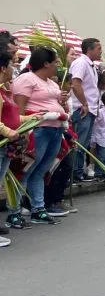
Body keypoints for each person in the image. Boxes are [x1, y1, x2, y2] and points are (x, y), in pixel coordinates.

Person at [9, 46, 69, 226]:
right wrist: (24, 131)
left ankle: (38, 209)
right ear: (45, 63)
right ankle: (15, 211)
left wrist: (62, 103)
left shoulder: (51, 83)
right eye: (55, 62)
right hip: (38, 130)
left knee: (41, 170)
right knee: (25, 170)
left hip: (55, 129)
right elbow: (18, 110)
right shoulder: (26, 80)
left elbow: (58, 106)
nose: (58, 65)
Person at [0, 51, 43, 243]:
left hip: (6, 146)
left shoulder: (4, 90)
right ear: (2, 68)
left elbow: (13, 117)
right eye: (11, 64)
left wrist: (29, 118)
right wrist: (8, 132)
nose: (13, 68)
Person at [69, 37, 102, 182]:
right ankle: (74, 174)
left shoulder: (91, 65)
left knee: (84, 143)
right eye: (98, 49)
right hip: (81, 109)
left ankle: (78, 172)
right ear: (89, 50)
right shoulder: (81, 63)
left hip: (90, 109)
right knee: (79, 143)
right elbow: (76, 84)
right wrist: (84, 103)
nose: (101, 52)